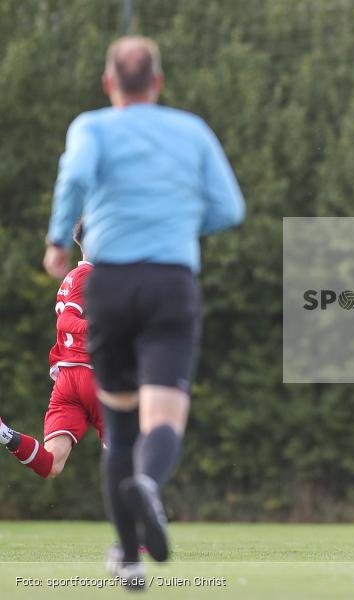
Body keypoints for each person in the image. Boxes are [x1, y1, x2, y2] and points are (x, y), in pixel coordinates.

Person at [43, 36, 245, 587]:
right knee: (165, 416)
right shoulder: (191, 130)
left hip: (108, 285)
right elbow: (230, 208)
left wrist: (58, 240)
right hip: (169, 284)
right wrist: (178, 224)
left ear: (109, 83)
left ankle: (129, 560)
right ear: (158, 82)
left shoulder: (90, 127)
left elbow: (74, 179)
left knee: (121, 424)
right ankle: (150, 485)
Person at [1, 221, 101, 480]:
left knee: (52, 464)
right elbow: (66, 321)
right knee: (128, 452)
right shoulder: (89, 276)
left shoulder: (74, 277)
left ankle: (4, 434)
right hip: (95, 375)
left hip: (68, 380)